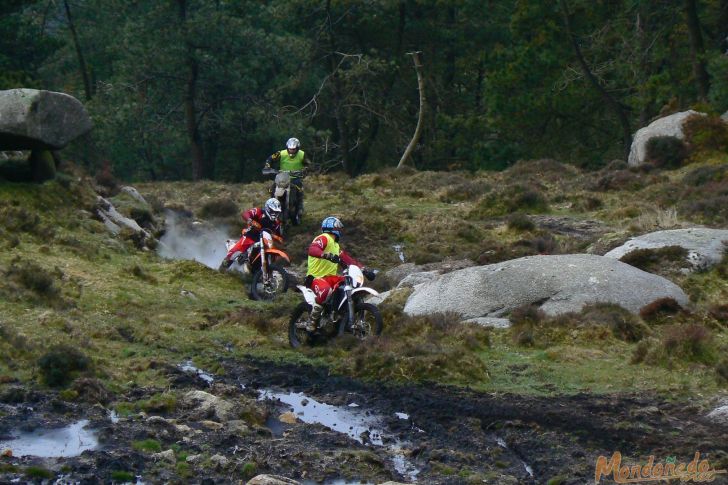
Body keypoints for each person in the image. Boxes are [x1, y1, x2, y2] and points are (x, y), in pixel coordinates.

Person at [305, 216, 375, 325]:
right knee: (326, 291)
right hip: (316, 277)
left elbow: (348, 260)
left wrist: (364, 270)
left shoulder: (336, 246)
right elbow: (312, 249)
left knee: (349, 283)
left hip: (330, 278)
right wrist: (325, 255)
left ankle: (337, 312)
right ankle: (311, 320)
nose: (340, 231)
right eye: (338, 228)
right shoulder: (324, 237)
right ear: (330, 227)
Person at [219, 198, 282, 270]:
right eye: (273, 211)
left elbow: (279, 236)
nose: (275, 214)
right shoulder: (259, 212)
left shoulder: (276, 223)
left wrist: (278, 238)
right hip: (251, 236)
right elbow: (246, 214)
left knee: (273, 256)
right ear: (268, 208)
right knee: (235, 252)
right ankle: (221, 270)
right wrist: (251, 221)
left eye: (277, 212)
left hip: (265, 242)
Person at [264, 137, 310, 222]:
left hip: (295, 178)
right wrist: (267, 166)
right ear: (287, 148)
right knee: (272, 188)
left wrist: (305, 170)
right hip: (282, 177)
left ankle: (299, 209)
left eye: (293, 149)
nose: (292, 151)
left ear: (297, 148)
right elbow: (270, 158)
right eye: (290, 149)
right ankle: (272, 205)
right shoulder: (281, 153)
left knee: (299, 190)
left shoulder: (302, 154)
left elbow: (308, 164)